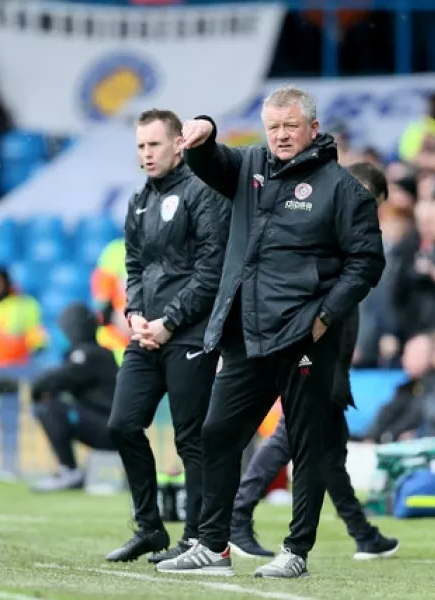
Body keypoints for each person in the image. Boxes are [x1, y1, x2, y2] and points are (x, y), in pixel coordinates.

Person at [156, 86, 385, 578]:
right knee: (217, 435)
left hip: (302, 340)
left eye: (290, 127)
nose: (281, 136)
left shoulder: (342, 189)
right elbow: (210, 161)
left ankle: (296, 551)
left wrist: (323, 318)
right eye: (274, 126)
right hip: (247, 337)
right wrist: (203, 131)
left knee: (308, 447)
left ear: (313, 130)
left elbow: (367, 262)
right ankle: (213, 546)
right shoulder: (250, 167)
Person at [228, 162, 399, 561]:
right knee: (296, 437)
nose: (373, 214)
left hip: (331, 357)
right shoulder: (329, 230)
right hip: (315, 351)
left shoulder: (337, 230)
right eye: (374, 203)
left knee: (329, 453)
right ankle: (237, 513)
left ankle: (363, 533)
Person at [105, 109, 230, 563]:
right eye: (140, 146)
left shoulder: (203, 193)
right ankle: (149, 527)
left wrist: (171, 321)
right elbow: (134, 266)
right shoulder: (138, 200)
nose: (146, 154)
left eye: (154, 145)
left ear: (179, 144)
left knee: (190, 437)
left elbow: (210, 269)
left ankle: (197, 538)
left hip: (190, 332)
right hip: (147, 334)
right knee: (121, 424)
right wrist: (135, 312)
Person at [30, 302, 118, 492]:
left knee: (49, 408)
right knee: (54, 403)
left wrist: (38, 391)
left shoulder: (88, 355)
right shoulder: (100, 353)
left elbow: (52, 381)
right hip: (109, 426)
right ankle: (69, 471)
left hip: (109, 430)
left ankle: (69, 471)